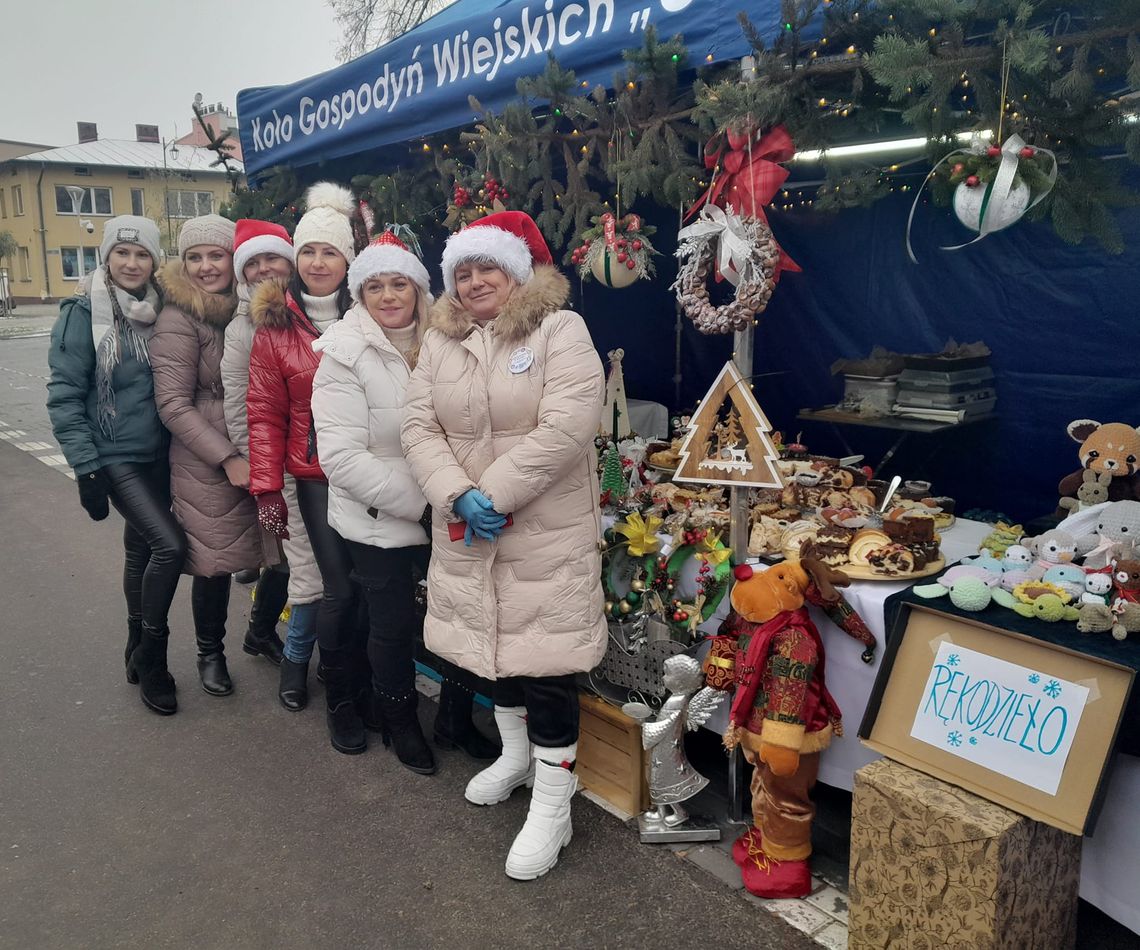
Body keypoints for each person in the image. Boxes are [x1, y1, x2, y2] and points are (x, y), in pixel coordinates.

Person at [401, 211, 606, 880]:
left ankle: (555, 798)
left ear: (516, 272)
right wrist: (458, 495)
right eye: (462, 271)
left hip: (543, 529)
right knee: (495, 654)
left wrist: (497, 492)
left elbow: (572, 421)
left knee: (545, 664)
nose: (474, 280)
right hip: (468, 526)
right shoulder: (440, 342)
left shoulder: (560, 329)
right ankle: (516, 758)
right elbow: (417, 428)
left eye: (487, 266)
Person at [47, 215, 186, 715]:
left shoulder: (163, 308)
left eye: (142, 254)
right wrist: (86, 469)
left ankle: (133, 644)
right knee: (169, 546)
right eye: (122, 253)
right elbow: (64, 397)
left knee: (141, 549)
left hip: (161, 452)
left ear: (154, 261)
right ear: (106, 257)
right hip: (113, 455)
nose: (131, 263)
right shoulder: (82, 314)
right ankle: (153, 658)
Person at [248, 183, 368, 751]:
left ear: (348, 259)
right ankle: (324, 682)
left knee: (364, 586)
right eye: (309, 252)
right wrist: (267, 485)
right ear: (297, 259)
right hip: (313, 476)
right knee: (333, 585)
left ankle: (353, 679)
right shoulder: (275, 326)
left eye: (330, 252)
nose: (319, 263)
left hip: (369, 474)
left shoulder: (373, 312)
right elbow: (265, 412)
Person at [151, 215, 270, 697]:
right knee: (216, 561)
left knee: (274, 549)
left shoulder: (248, 308)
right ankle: (210, 652)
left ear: (232, 259)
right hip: (207, 458)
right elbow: (173, 404)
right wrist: (226, 457)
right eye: (194, 257)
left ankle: (261, 631)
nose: (205, 266)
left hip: (257, 441)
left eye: (215, 255)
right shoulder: (178, 318)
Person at [221, 219, 324, 710]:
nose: (265, 269)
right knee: (306, 573)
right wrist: (266, 480)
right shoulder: (246, 329)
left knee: (302, 569)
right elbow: (248, 410)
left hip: (329, 467)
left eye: (272, 258)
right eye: (253, 263)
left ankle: (265, 634)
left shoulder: (318, 309)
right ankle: (295, 664)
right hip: (284, 469)